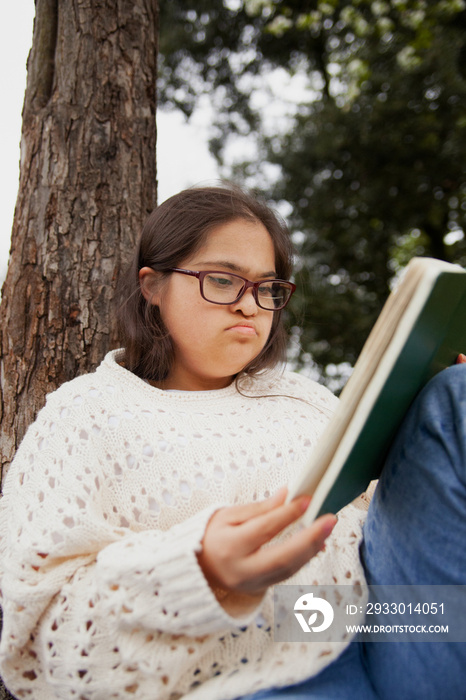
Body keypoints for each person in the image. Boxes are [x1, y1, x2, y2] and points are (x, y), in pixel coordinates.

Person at [0, 183, 464, 700]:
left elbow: (395, 523)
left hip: (388, 623)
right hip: (243, 672)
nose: (251, 307)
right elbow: (39, 648)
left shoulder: (301, 396)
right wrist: (199, 570)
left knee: (455, 395)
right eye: (222, 280)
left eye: (267, 288)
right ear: (152, 286)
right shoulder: (86, 414)